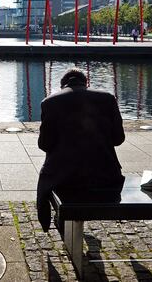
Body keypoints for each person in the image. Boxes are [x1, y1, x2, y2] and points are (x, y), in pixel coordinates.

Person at [36, 68, 125, 232]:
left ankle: (49, 220)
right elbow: (118, 139)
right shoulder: (108, 99)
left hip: (64, 178)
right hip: (104, 176)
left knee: (46, 174)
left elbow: (44, 144)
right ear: (86, 83)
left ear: (62, 85)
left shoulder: (49, 102)